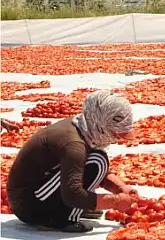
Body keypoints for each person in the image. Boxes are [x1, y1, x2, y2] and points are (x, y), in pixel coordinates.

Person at [7, 91, 137, 233]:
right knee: (98, 160)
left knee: (97, 159)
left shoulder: (83, 126)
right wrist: (115, 202)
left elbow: (91, 170)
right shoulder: (74, 145)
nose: (116, 139)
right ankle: (60, 219)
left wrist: (121, 188)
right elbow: (73, 194)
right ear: (101, 122)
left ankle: (66, 209)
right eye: (115, 134)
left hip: (32, 195)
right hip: (28, 205)